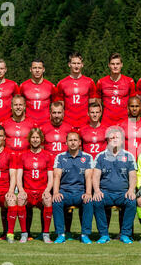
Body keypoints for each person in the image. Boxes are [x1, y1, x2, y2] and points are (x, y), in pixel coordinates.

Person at [52, 131, 107, 244]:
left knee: (88, 201)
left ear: (80, 142)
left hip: (80, 193)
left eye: (75, 140)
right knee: (56, 201)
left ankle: (85, 234)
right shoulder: (60, 157)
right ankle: (61, 234)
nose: (73, 143)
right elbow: (56, 176)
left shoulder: (87, 157)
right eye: (70, 140)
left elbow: (88, 177)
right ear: (66, 142)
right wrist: (56, 192)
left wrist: (88, 193)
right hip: (65, 192)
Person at [92, 127, 137, 244]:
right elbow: (95, 176)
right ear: (107, 140)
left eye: (117, 137)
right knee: (97, 201)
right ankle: (103, 235)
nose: (114, 139)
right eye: (112, 137)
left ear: (122, 140)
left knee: (131, 202)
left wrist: (131, 190)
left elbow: (133, 176)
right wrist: (96, 191)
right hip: (105, 193)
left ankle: (125, 234)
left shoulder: (129, 156)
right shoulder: (100, 156)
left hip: (123, 193)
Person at [40, 101, 74, 238]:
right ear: (50, 113)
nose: (56, 115)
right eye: (54, 112)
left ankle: (68, 231)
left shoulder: (69, 128)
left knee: (66, 202)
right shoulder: (43, 128)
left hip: (65, 172)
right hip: (48, 172)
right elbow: (40, 151)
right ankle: (45, 231)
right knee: (46, 200)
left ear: (63, 113)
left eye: (59, 112)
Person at [16, 128, 54, 243]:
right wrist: (21, 190)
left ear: (41, 139)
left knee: (48, 200)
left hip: (42, 190)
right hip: (28, 190)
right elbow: (19, 176)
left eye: (37, 137)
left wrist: (47, 190)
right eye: (33, 137)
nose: (35, 140)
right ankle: (24, 233)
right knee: (20, 200)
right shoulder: (23, 155)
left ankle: (46, 234)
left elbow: (51, 177)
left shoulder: (47, 156)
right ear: (29, 139)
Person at [56, 52, 97, 129]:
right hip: (67, 123)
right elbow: (60, 106)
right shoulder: (62, 83)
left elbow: (92, 105)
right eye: (74, 63)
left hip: (85, 123)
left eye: (78, 63)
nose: (76, 66)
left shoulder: (89, 82)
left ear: (82, 64)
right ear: (69, 64)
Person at [96, 53, 137, 126]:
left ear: (121, 65)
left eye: (117, 64)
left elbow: (133, 104)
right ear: (109, 65)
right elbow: (97, 104)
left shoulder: (129, 81)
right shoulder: (101, 82)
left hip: (125, 122)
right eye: (112, 64)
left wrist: (133, 123)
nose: (115, 66)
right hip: (107, 122)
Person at [20, 59, 57, 126]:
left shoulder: (51, 86)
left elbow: (56, 105)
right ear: (30, 69)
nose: (37, 70)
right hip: (28, 124)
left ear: (43, 69)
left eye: (39, 68)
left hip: (46, 124)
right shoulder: (23, 86)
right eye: (34, 68)